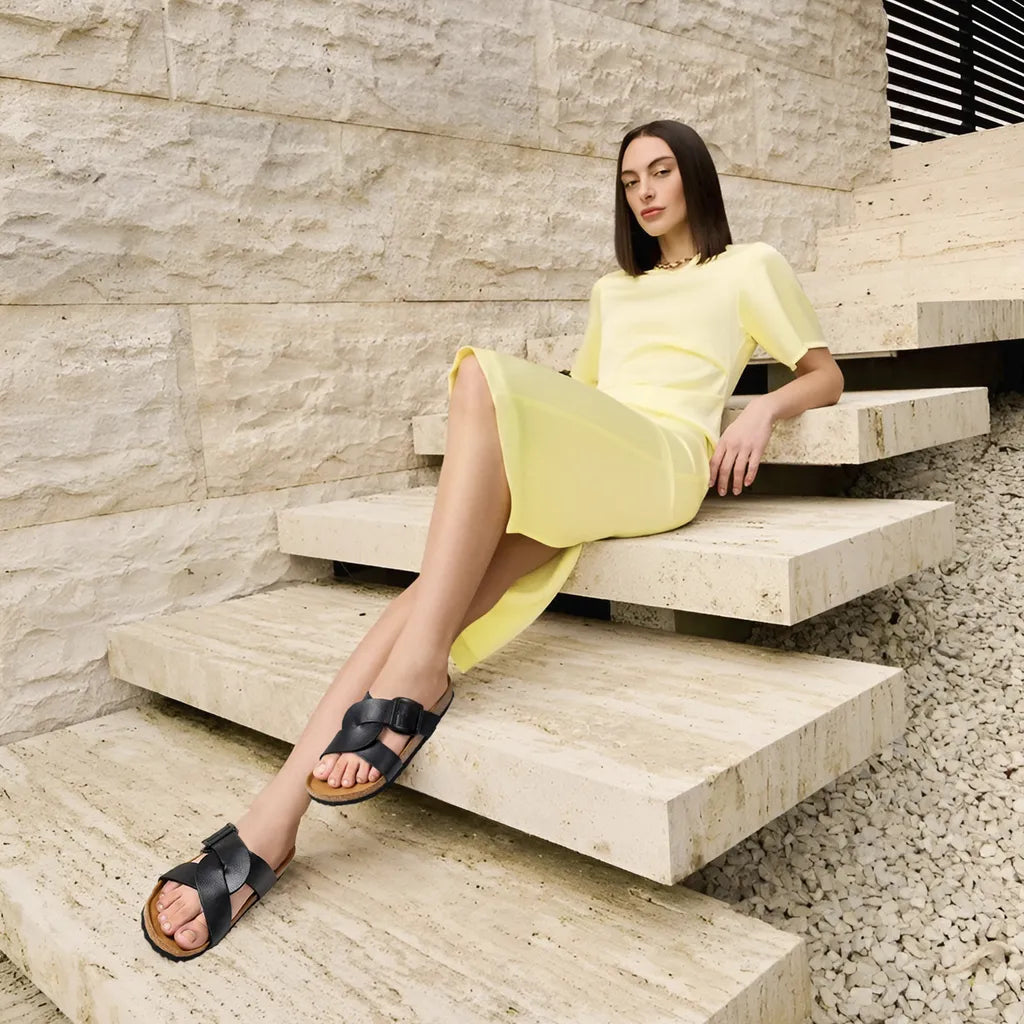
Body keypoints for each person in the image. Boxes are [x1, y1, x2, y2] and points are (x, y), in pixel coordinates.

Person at [141, 118, 845, 959]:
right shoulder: (612, 292)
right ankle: (271, 825)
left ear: (694, 175)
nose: (646, 192)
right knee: (420, 602)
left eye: (661, 172)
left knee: (476, 373)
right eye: (630, 181)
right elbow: (589, 395)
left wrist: (761, 411)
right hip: (601, 452)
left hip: (666, 460)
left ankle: (419, 675)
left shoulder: (750, 266)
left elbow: (826, 373)